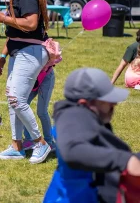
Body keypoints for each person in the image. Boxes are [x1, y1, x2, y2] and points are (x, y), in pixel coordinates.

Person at [45, 67, 140, 203]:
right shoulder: (74, 115)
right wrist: (124, 160)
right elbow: (72, 151)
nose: (114, 104)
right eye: (108, 100)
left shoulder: (86, 116)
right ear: (85, 103)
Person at [0, 0, 51, 164]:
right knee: (11, 99)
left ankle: (40, 142)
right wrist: (3, 55)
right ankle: (17, 146)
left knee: (17, 99)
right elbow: (16, 33)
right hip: (20, 52)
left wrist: (2, 18)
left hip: (30, 53)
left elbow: (31, 24)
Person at [0, 39, 55, 150]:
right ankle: (28, 139)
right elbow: (10, 38)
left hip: (45, 79)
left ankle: (49, 141)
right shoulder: (18, 56)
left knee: (42, 111)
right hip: (31, 81)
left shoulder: (37, 48)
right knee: (21, 107)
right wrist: (2, 57)